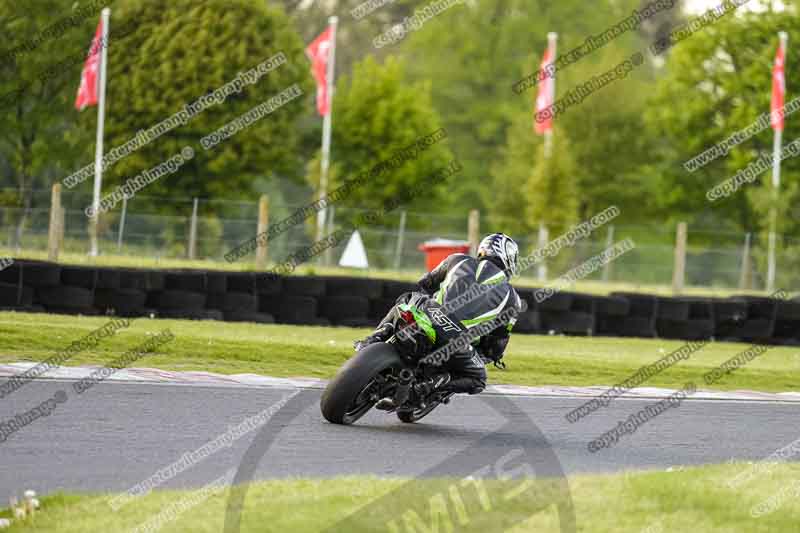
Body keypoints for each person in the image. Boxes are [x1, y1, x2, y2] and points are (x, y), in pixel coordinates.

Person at [354, 233, 524, 409]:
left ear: (483, 250)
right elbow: (497, 343)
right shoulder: (513, 299)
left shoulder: (457, 259)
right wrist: (491, 355)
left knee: (408, 298)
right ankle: (422, 389)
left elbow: (425, 283)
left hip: (429, 314)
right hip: (457, 340)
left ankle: (372, 339)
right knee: (478, 379)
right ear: (509, 260)